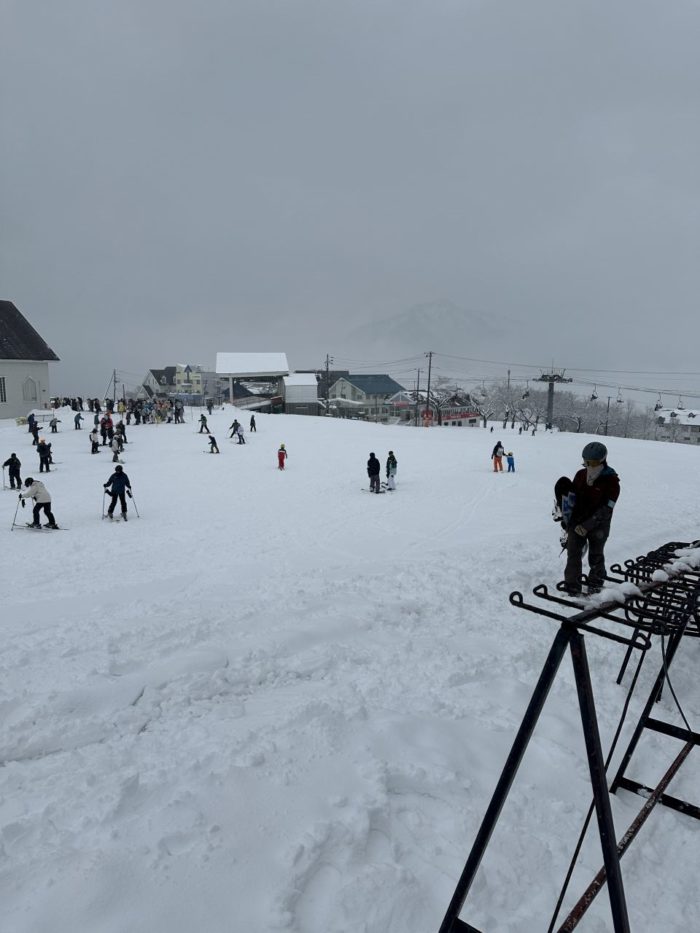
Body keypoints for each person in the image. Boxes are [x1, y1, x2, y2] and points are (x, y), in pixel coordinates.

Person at [562, 442, 620, 596]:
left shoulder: (611, 481)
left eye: (592, 463)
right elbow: (572, 498)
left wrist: (588, 525)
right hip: (578, 522)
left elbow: (607, 509)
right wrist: (566, 517)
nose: (588, 466)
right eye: (585, 462)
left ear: (602, 461)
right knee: (573, 553)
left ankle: (595, 583)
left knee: (596, 555)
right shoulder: (581, 475)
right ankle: (572, 586)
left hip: (599, 525)